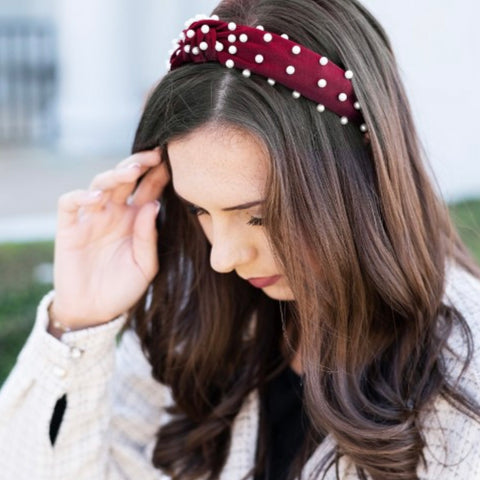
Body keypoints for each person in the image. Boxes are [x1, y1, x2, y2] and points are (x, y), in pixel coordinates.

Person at [1, 0, 480, 478]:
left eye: (259, 216)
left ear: (365, 171)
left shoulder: (462, 374)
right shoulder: (198, 321)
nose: (223, 258)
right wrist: (77, 324)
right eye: (199, 210)